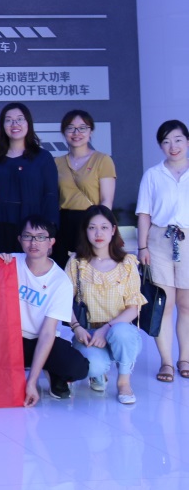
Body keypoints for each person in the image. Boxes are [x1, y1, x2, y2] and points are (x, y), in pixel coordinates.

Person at [0, 216, 88, 404]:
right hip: (8, 338)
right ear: (19, 239)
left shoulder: (60, 281)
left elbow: (48, 333)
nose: (33, 242)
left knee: (77, 368)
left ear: (51, 242)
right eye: (28, 236)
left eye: (40, 237)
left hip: (40, 339)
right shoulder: (9, 263)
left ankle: (51, 371)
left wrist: (31, 383)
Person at [65, 205, 144, 404]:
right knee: (92, 366)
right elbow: (63, 300)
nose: (98, 233)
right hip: (89, 333)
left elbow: (133, 307)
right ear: (85, 231)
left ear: (113, 230)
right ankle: (98, 372)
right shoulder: (76, 263)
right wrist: (76, 327)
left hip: (119, 331)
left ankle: (124, 382)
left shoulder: (127, 263)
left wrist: (107, 328)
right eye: (92, 228)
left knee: (121, 332)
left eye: (104, 227)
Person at [135, 119, 189, 383]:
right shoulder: (153, 175)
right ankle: (166, 362)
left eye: (178, 140)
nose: (173, 146)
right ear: (160, 146)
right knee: (164, 304)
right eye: (166, 142)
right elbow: (144, 213)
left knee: (186, 305)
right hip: (159, 240)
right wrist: (142, 246)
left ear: (187, 141)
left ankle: (185, 358)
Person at [0, 103, 59, 256]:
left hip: (33, 232)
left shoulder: (43, 158)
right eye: (9, 120)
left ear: (28, 123)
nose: (14, 124)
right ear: (2, 125)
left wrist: (48, 235)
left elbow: (51, 197)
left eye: (19, 119)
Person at [56, 110, 117, 268]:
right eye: (70, 128)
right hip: (63, 223)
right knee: (65, 269)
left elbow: (106, 200)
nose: (76, 133)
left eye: (82, 128)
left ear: (91, 132)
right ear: (64, 132)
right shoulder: (57, 163)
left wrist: (99, 228)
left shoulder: (102, 160)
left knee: (89, 269)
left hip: (90, 222)